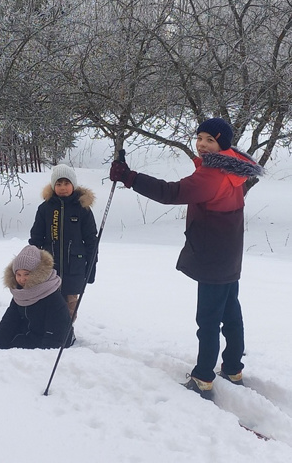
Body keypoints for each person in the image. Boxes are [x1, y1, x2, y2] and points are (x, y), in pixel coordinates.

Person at [109, 118, 263, 399]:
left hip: (212, 255)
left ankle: (203, 377)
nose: (202, 145)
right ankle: (232, 369)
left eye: (210, 140)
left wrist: (130, 178)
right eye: (200, 138)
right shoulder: (233, 168)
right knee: (230, 313)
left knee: (207, 319)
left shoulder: (213, 175)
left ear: (223, 144)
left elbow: (172, 193)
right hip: (228, 254)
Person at [28, 164, 98, 319]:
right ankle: (50, 331)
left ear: (73, 184)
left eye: (66, 183)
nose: (63, 188)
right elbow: (36, 238)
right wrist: (31, 263)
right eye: (58, 184)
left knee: (70, 304)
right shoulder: (45, 208)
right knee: (49, 300)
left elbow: (91, 240)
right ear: (53, 186)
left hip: (75, 267)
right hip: (49, 267)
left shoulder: (82, 209)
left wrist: (91, 267)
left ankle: (67, 334)